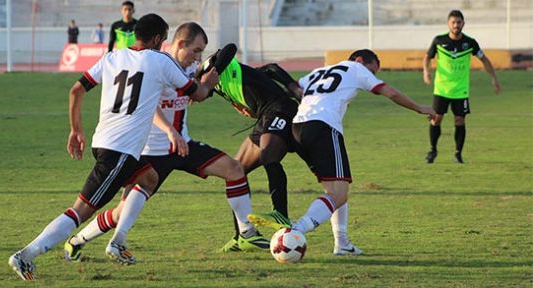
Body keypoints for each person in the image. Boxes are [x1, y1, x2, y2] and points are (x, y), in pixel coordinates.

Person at [8, 14, 219, 281]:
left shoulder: (112, 57)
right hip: (120, 151)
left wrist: (76, 130)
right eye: (164, 39)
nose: (164, 44)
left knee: (148, 177)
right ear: (156, 39)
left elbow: (76, 90)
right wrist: (210, 82)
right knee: (80, 211)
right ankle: (26, 255)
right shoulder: (160, 60)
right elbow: (198, 94)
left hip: (103, 142)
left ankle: (118, 239)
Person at [62, 22, 270, 265]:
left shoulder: (190, 67)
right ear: (180, 44)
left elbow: (198, 93)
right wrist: (171, 131)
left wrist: (231, 99)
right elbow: (148, 109)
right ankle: (77, 241)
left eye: (201, 52)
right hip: (150, 151)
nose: (198, 57)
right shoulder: (155, 64)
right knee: (120, 214)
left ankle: (246, 233)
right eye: (196, 50)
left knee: (234, 170)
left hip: (183, 146)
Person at [248, 50, 436, 255]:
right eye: (371, 70)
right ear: (359, 60)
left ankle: (343, 244)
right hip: (322, 127)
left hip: (298, 128)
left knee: (336, 187)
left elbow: (289, 88)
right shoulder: (355, 68)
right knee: (339, 193)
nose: (371, 75)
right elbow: (390, 92)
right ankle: (295, 231)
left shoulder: (319, 72)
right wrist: (419, 108)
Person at [201, 52, 362, 255]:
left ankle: (281, 215)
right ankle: (244, 235)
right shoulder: (219, 90)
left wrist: (292, 86)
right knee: (235, 171)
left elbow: (269, 68)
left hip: (282, 111)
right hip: (265, 118)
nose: (201, 96)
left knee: (271, 157)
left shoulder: (224, 71)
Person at [423, 10, 501, 164]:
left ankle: (458, 154)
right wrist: (426, 71)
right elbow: (428, 56)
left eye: (459, 22)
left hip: (460, 90)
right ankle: (433, 150)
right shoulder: (439, 41)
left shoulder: (470, 43)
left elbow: (484, 59)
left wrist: (493, 78)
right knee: (436, 119)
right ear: (448, 24)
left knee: (459, 121)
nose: (456, 25)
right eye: (453, 22)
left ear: (463, 24)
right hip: (442, 89)